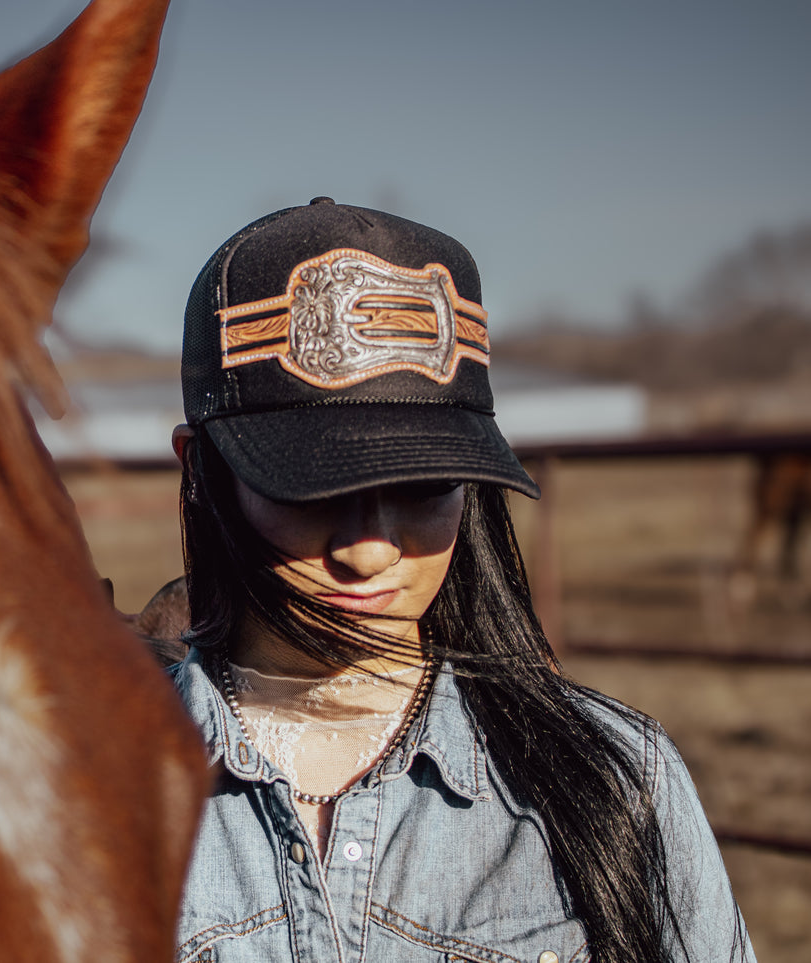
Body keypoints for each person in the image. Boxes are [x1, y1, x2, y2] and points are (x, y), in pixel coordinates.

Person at [164, 199, 753, 962]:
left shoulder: (618, 778)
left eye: (425, 485)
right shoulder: (75, 790)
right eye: (306, 487)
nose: (369, 551)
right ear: (200, 470)